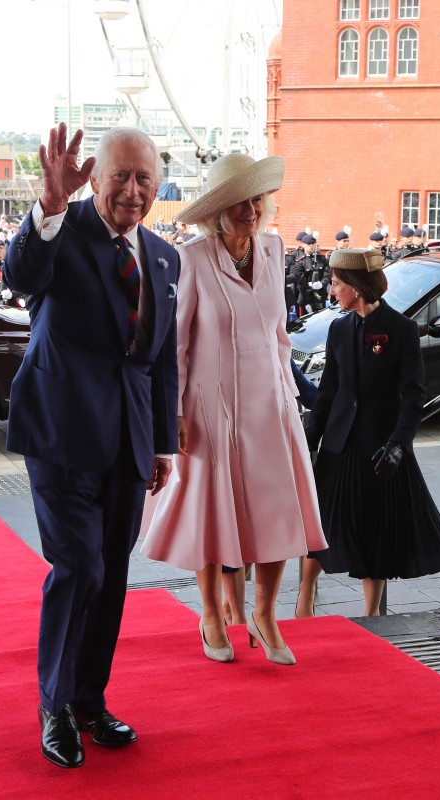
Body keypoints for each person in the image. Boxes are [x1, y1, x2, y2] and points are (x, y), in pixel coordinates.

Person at [2, 123, 179, 770]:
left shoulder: (164, 255)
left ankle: (87, 699)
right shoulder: (63, 230)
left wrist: (164, 441)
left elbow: (160, 360)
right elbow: (20, 275)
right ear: (95, 178)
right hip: (61, 430)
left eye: (145, 179)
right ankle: (53, 704)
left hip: (129, 440)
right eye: (121, 177)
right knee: (80, 568)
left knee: (112, 579)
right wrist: (48, 206)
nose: (133, 191)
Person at [141, 153, 326, 667]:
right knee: (211, 513)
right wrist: (174, 410)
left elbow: (278, 332)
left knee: (278, 511)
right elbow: (173, 344)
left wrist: (288, 389)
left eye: (256, 199)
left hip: (271, 405)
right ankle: (211, 614)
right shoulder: (194, 258)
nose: (251, 209)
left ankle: (264, 617)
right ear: (217, 209)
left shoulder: (274, 248)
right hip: (210, 407)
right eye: (240, 201)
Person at [298, 248, 440, 618]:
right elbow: (328, 392)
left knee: (377, 529)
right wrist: (309, 438)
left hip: (380, 449)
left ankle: (372, 615)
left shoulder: (401, 329)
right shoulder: (339, 328)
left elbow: (413, 396)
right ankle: (304, 595)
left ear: (356, 287)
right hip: (338, 446)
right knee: (324, 523)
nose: (332, 290)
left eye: (337, 284)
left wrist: (398, 445)